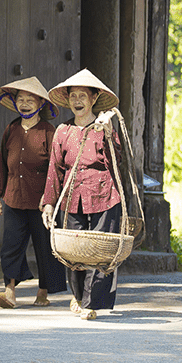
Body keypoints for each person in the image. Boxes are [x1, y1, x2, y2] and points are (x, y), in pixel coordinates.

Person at [41, 68, 126, 320]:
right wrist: (48, 204)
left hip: (103, 195)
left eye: (82, 96)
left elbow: (116, 162)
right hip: (71, 197)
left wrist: (109, 133)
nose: (77, 100)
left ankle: (92, 303)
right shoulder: (62, 132)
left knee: (100, 251)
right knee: (74, 250)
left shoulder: (104, 129)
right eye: (73, 96)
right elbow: (54, 169)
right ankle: (78, 297)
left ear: (93, 99)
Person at [0, 77, 66, 309]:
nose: (24, 103)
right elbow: (2, 163)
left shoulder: (49, 132)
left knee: (45, 248)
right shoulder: (11, 129)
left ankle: (43, 291)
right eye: (20, 99)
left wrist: (50, 197)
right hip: (13, 197)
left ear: (40, 103)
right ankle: (9, 292)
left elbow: (56, 167)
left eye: (30, 100)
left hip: (42, 203)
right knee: (10, 246)